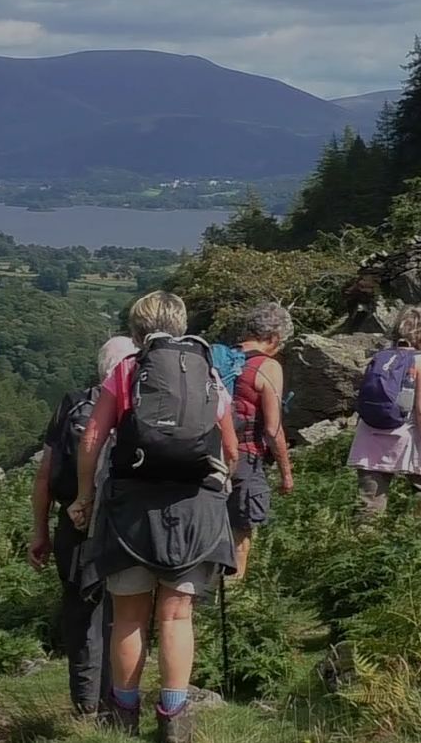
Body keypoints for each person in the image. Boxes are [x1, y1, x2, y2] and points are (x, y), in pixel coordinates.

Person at [69, 291, 238, 742]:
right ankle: (174, 720)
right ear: (182, 326)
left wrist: (85, 495)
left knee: (128, 617)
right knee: (177, 617)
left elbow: (92, 439)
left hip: (131, 510)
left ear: (137, 331)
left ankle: (123, 716)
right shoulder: (207, 371)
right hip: (194, 509)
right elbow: (230, 446)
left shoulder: (127, 371)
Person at [28, 336, 138, 720]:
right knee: (127, 612)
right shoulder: (142, 405)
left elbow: (45, 476)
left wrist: (39, 532)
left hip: (75, 521)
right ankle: (119, 701)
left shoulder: (73, 404)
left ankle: (86, 705)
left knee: (80, 612)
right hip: (128, 522)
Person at [346, 307, 421, 523]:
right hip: (406, 437)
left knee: (370, 505)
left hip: (369, 436)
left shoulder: (379, 357)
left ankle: (362, 541)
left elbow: (388, 399)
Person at [228, 303, 295, 582]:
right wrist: (286, 473)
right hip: (245, 457)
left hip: (208, 455)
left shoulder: (222, 358)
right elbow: (272, 428)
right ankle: (234, 594)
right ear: (275, 338)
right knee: (240, 536)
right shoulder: (267, 366)